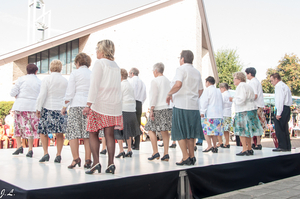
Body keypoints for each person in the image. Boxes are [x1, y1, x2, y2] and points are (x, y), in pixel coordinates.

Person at [83, 40, 123, 175]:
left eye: (97, 48)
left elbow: (94, 85)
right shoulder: (116, 66)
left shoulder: (100, 63)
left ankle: (96, 163)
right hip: (113, 105)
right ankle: (111, 163)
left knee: (92, 132)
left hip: (99, 104)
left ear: (102, 50)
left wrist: (88, 104)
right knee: (109, 135)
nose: (96, 51)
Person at [166, 50, 204, 166]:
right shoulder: (197, 72)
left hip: (181, 105)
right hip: (193, 106)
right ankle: (192, 156)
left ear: (182, 59)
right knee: (191, 133)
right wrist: (193, 97)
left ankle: (185, 156)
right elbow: (201, 89)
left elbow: (178, 84)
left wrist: (169, 94)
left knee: (179, 132)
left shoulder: (181, 69)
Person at [61, 53, 92, 169]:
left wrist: (64, 106)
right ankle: (88, 160)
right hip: (89, 106)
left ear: (77, 63)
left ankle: (75, 159)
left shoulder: (74, 73)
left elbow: (70, 92)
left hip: (75, 105)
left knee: (73, 133)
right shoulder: (92, 73)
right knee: (87, 133)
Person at [36, 60, 68, 163]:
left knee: (43, 131)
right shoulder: (65, 80)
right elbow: (67, 96)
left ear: (50, 68)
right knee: (59, 133)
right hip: (60, 109)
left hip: (47, 108)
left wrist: (38, 108)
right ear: (60, 68)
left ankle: (46, 153)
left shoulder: (47, 79)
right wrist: (65, 107)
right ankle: (58, 154)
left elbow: (42, 95)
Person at [10, 64, 41, 157]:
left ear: (26, 70)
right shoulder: (39, 81)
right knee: (30, 128)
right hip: (32, 107)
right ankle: (30, 149)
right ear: (36, 71)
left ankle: (19, 146)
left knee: (18, 126)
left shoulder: (21, 79)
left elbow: (12, 93)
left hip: (20, 106)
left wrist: (17, 95)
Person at [229, 72, 263, 156]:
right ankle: (249, 148)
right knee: (248, 131)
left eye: (235, 78)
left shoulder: (241, 86)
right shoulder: (248, 86)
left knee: (242, 131)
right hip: (251, 109)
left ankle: (244, 149)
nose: (234, 80)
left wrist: (233, 99)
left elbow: (241, 99)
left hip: (243, 111)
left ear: (239, 79)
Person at [145, 63, 172, 161]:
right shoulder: (168, 81)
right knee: (165, 131)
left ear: (156, 70)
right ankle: (166, 154)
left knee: (150, 129)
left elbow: (154, 96)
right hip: (167, 108)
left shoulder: (155, 81)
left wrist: (151, 109)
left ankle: (155, 152)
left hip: (157, 108)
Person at [114, 69, 141, 158]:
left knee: (118, 130)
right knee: (128, 131)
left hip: (123, 110)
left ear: (120, 76)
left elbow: (118, 98)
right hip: (131, 110)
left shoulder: (121, 85)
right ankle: (129, 149)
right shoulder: (129, 84)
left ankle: (121, 150)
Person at [200, 76, 223, 153]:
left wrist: (202, 112)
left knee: (206, 130)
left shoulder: (207, 90)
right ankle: (214, 146)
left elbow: (204, 102)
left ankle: (209, 145)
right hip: (218, 114)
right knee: (215, 132)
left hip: (210, 113)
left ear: (208, 82)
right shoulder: (218, 91)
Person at [270, 73, 292, 152]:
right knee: (285, 128)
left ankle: (282, 146)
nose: (271, 82)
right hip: (286, 108)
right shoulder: (285, 86)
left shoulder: (278, 86)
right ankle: (287, 146)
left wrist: (278, 113)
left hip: (282, 108)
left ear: (276, 79)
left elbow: (279, 100)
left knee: (280, 129)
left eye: (272, 80)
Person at [245, 67, 266, 150]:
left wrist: (246, 99)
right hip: (258, 105)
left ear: (250, 74)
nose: (246, 75)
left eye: (247, 74)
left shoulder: (253, 82)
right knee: (256, 124)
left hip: (255, 106)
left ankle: (257, 143)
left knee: (255, 124)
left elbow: (255, 95)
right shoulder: (256, 81)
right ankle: (256, 143)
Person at [128, 67, 146, 150]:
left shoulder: (130, 81)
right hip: (139, 103)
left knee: (130, 123)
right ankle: (137, 144)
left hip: (131, 103)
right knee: (137, 123)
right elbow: (144, 96)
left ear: (132, 73)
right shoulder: (142, 82)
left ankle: (130, 143)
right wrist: (140, 102)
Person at [219, 83, 232, 148]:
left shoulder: (223, 95)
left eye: (220, 88)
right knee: (226, 130)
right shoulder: (229, 94)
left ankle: (221, 142)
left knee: (222, 129)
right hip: (228, 113)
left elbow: (221, 104)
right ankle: (227, 142)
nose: (220, 90)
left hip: (223, 113)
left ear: (223, 88)